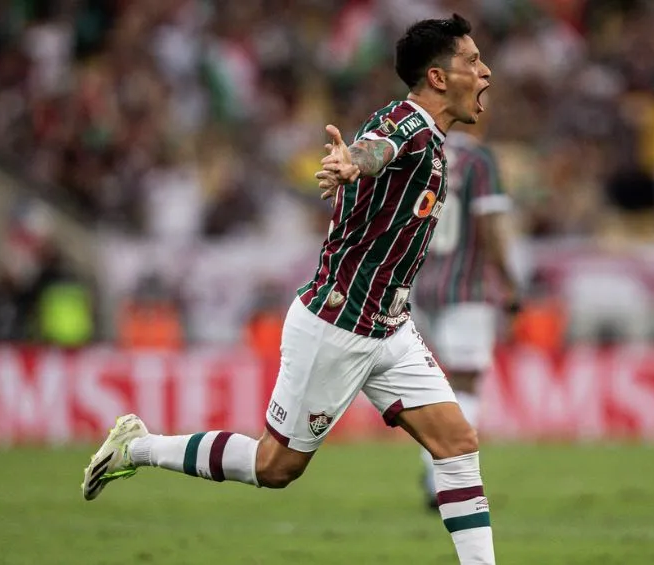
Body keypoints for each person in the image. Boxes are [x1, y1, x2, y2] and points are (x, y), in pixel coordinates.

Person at [81, 14, 497, 564]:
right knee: (273, 468)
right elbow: (379, 150)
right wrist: (354, 161)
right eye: (471, 61)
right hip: (339, 324)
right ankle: (136, 447)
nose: (485, 72)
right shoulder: (411, 128)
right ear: (439, 78)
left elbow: (375, 155)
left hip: (388, 326)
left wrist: (354, 163)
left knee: (457, 443)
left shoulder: (423, 133)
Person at [412, 102, 518, 510]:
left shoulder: (421, 152)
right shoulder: (478, 159)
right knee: (467, 383)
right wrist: (508, 283)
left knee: (436, 388)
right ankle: (444, 476)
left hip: (422, 288)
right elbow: (490, 227)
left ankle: (436, 470)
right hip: (467, 290)